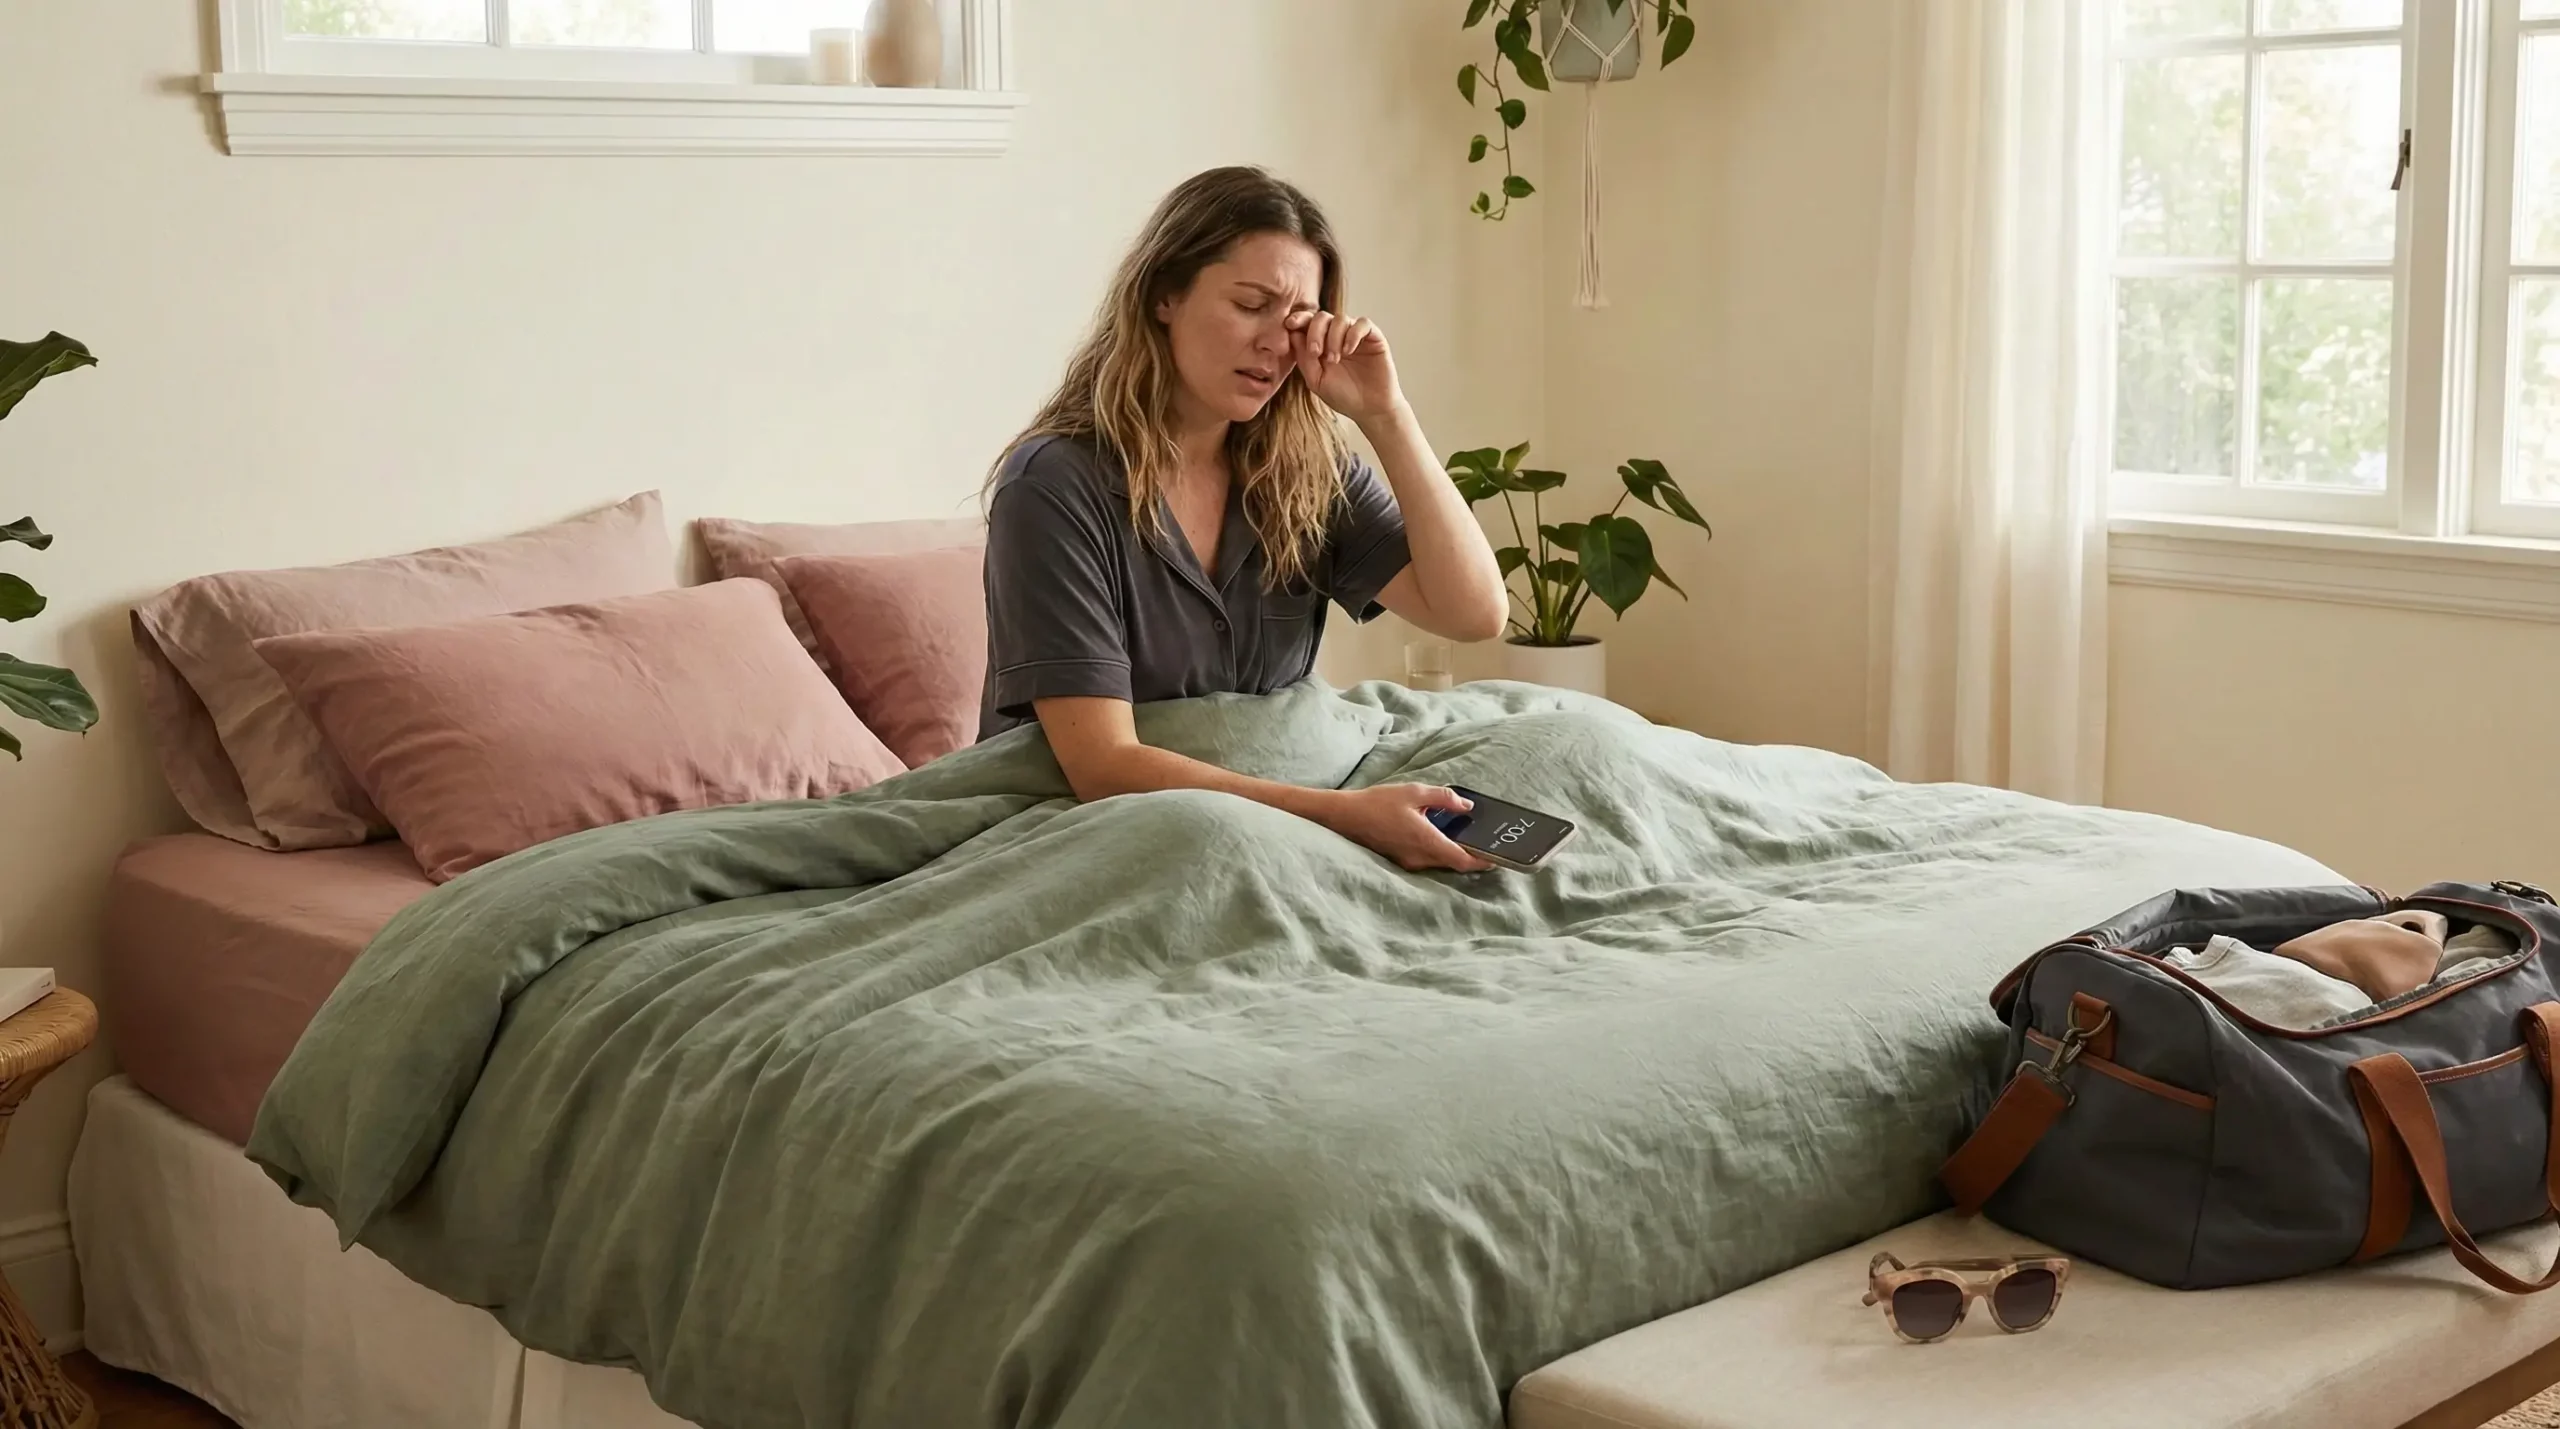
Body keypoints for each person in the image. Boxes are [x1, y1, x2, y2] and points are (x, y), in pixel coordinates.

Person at [979, 165, 1509, 873]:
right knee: (1213, 843)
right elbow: (1103, 768)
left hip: (1292, 799)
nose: (1275, 343)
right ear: (1165, 294)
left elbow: (1474, 612)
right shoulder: (1052, 486)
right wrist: (1348, 819)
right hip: (1119, 829)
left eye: (1296, 321)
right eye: (1251, 304)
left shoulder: (1304, 469)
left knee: (1559, 743)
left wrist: (1387, 414)